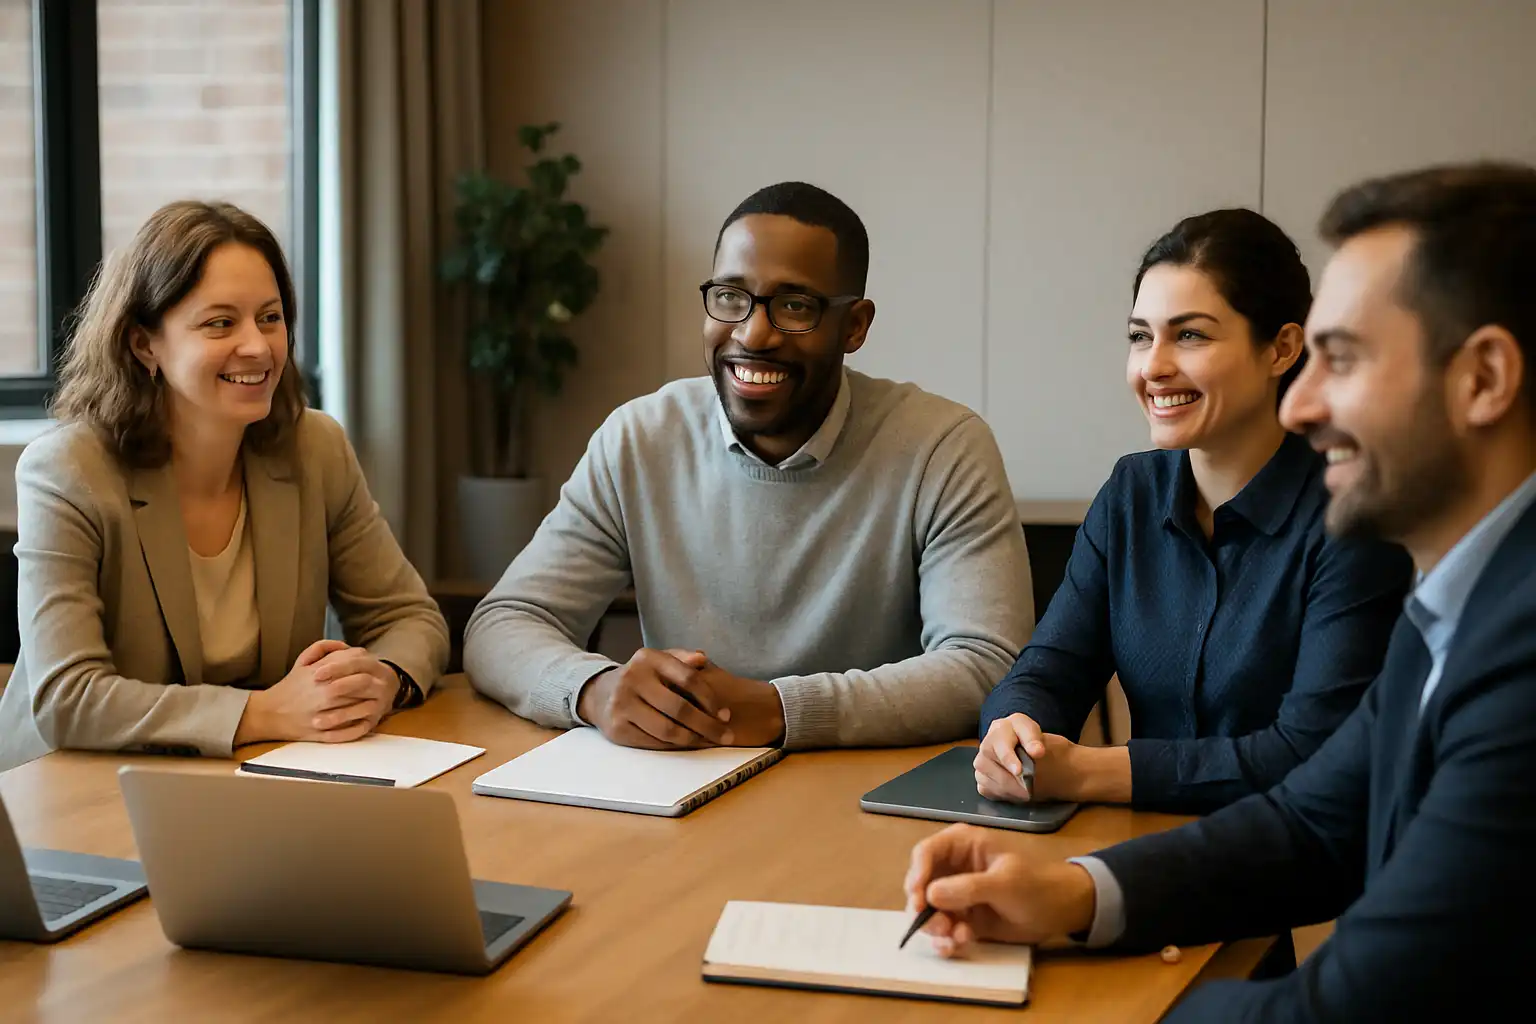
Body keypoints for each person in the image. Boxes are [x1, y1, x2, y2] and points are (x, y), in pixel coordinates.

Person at [903, 162, 1536, 1021]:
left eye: (1340, 359)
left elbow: (1347, 1005)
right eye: (1139, 335)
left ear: (1485, 380)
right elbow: (1311, 822)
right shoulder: (1456, 604)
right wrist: (1071, 896)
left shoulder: (1516, 646)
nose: (1304, 405)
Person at [465, 181, 1032, 750]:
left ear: (855, 326)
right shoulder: (639, 439)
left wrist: (781, 710)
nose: (753, 333)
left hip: (868, 795)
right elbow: (503, 623)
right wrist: (593, 688)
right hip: (683, 792)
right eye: (732, 297)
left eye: (794, 306)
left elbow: (985, 665)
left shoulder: (943, 447)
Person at [974, 210, 1411, 814]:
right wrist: (1012, 728)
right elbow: (1052, 665)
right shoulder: (1132, 491)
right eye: (1139, 336)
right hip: (1129, 849)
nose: (1153, 366)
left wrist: (1088, 773)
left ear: (1282, 348)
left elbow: (1308, 752)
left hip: (1287, 873)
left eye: (1191, 335)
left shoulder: (1350, 517)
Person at [0, 200, 449, 772]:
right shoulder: (67, 471)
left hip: (247, 780)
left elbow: (411, 619)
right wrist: (262, 713)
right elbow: (69, 698)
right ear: (145, 345)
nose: (258, 347)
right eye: (220, 323)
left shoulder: (316, 448)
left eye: (270, 317)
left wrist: (382, 679)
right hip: (64, 790)